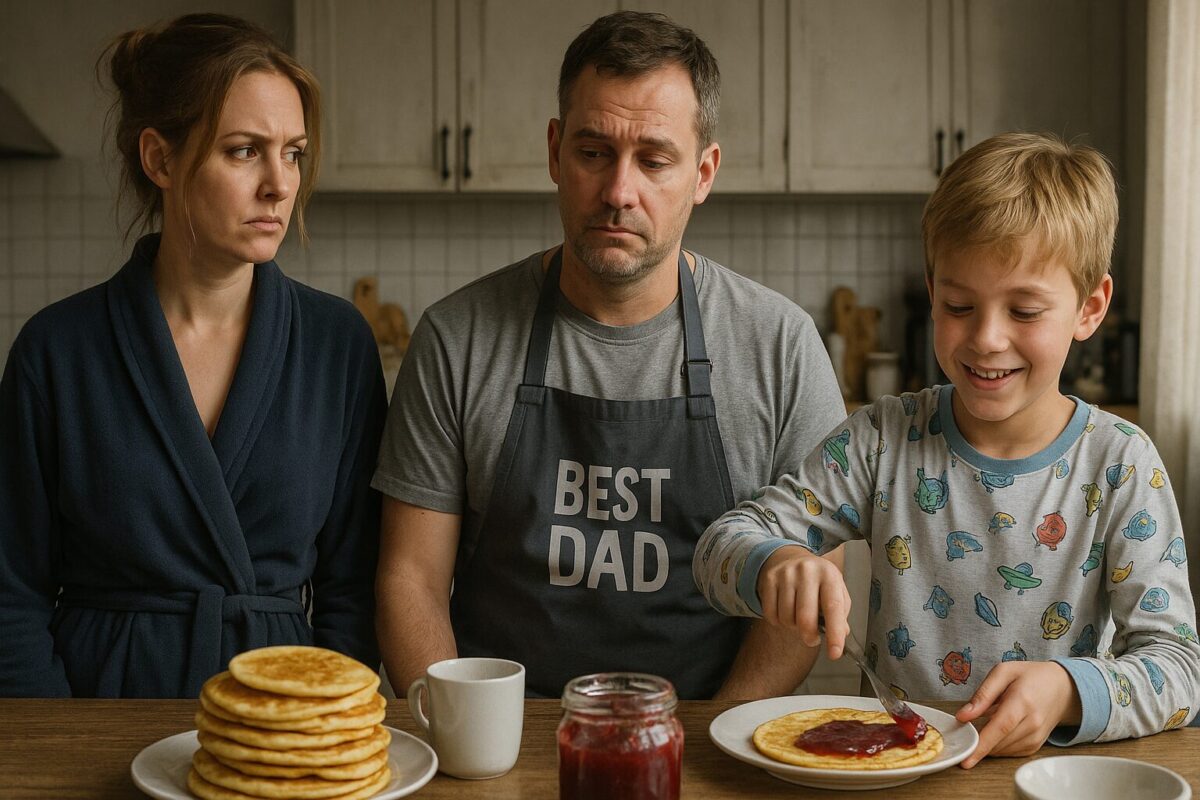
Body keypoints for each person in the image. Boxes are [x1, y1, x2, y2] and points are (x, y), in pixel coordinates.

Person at [373, 11, 845, 700]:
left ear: (704, 172)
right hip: (506, 743)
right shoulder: (458, 338)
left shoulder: (780, 346)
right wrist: (466, 735)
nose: (619, 191)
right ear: (555, 151)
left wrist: (718, 742)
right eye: (594, 152)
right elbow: (408, 580)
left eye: (654, 160)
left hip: (703, 737)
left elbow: (809, 576)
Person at [695, 132, 1200, 763]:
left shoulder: (1121, 463)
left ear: (1089, 308)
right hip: (892, 775)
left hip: (1043, 780)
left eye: (1024, 311)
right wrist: (772, 562)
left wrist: (1069, 691)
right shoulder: (884, 441)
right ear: (933, 293)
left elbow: (1178, 672)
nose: (987, 338)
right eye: (960, 305)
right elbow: (718, 548)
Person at [0, 13, 385, 697]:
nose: (279, 183)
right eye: (244, 151)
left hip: (280, 711)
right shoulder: (56, 352)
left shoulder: (337, 345)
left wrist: (320, 724)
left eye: (292, 152)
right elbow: (11, 593)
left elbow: (353, 589)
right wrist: (52, 748)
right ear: (161, 159)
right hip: (101, 710)